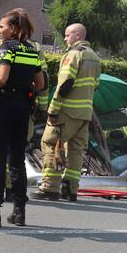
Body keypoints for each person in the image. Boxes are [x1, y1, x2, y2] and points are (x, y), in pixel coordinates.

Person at [0, 9, 46, 227]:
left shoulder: (7, 48)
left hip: (2, 107)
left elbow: (1, 78)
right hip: (22, 109)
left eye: (2, 26)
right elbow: (40, 84)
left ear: (13, 29)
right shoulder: (32, 50)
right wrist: (24, 87)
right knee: (17, 162)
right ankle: (19, 212)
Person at [34, 23, 101, 202]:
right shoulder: (94, 57)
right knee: (76, 151)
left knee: (49, 143)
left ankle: (49, 188)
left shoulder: (72, 55)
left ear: (78, 36)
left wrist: (53, 110)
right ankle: (70, 189)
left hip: (66, 112)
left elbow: (64, 85)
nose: (64, 39)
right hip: (85, 114)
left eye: (67, 35)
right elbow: (96, 85)